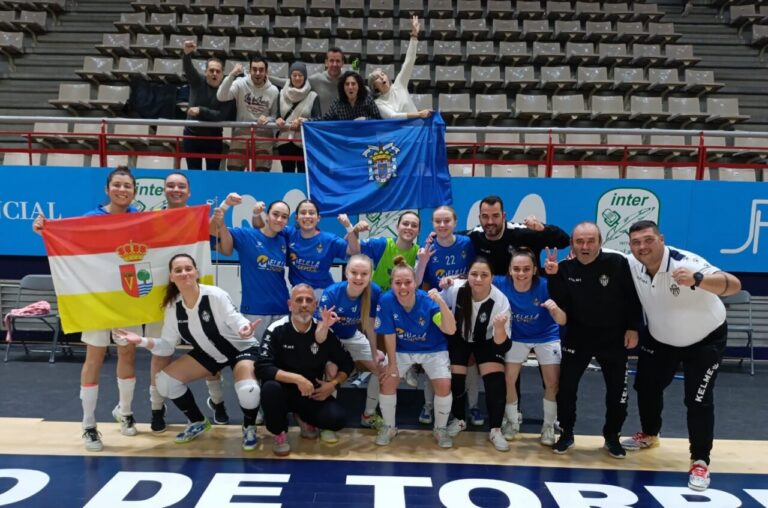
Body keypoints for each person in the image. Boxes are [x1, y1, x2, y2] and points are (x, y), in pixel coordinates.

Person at [621, 220, 741, 491]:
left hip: (705, 340)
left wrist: (698, 280)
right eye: (636, 242)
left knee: (697, 400)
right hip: (661, 338)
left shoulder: (687, 263)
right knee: (646, 387)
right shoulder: (631, 263)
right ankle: (650, 434)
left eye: (649, 240)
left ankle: (700, 460)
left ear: (661, 239)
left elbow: (733, 284)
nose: (643, 247)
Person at [33, 166, 143, 452]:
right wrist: (45, 229)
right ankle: (88, 425)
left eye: (127, 186)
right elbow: (63, 239)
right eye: (117, 184)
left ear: (134, 191)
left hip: (128, 297)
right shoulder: (90, 220)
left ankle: (126, 412)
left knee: (127, 352)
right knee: (94, 357)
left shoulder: (141, 219)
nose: (122, 190)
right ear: (107, 189)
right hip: (94, 298)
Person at [114, 254, 263, 450]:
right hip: (209, 353)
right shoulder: (173, 307)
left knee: (249, 390)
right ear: (171, 277)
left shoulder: (215, 295)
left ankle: (249, 426)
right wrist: (140, 341)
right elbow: (167, 346)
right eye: (178, 270)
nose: (184, 273)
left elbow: (235, 318)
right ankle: (198, 421)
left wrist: (245, 328)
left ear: (196, 272)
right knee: (165, 383)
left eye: (188, 268)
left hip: (241, 349)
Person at [544, 222, 641, 459]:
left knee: (618, 392)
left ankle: (612, 436)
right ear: (572, 244)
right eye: (579, 241)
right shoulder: (564, 269)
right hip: (577, 337)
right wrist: (553, 277)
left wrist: (633, 328)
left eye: (590, 241)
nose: (585, 246)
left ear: (600, 242)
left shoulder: (618, 264)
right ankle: (566, 433)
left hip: (613, 338)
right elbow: (559, 304)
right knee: (566, 389)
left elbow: (632, 298)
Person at [148, 172, 229, 433]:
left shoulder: (196, 217)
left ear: (189, 191)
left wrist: (223, 211)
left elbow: (219, 231)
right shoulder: (151, 220)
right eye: (170, 185)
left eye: (181, 186)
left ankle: (217, 403)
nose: (176, 189)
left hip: (195, 295)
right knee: (161, 354)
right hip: (159, 297)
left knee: (209, 349)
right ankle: (157, 407)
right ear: (164, 190)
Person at [256, 284, 354, 456]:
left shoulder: (324, 331)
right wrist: (297, 379)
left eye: (309, 300)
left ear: (315, 305)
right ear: (289, 304)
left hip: (310, 393)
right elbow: (262, 367)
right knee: (270, 388)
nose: (303, 304)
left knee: (337, 419)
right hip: (282, 391)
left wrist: (333, 384)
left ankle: (302, 417)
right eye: (299, 300)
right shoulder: (276, 330)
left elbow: (347, 363)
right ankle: (279, 433)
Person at [374, 256, 457, 448]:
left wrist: (442, 303)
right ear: (391, 284)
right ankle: (389, 427)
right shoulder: (386, 301)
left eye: (408, 282)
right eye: (398, 283)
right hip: (402, 349)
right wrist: (393, 366)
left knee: (444, 385)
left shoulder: (428, 301)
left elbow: (450, 329)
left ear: (415, 283)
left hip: (433, 349)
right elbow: (388, 334)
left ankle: (440, 429)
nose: (403, 287)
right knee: (387, 381)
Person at [414, 206, 482, 427]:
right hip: (437, 310)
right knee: (434, 356)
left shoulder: (466, 244)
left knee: (469, 358)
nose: (442, 225)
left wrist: (455, 278)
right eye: (437, 221)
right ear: (432, 224)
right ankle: (428, 405)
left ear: (455, 222)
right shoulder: (427, 247)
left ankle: (473, 406)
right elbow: (421, 283)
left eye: (446, 221)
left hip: (465, 308)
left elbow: (474, 272)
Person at [494, 247, 566, 446]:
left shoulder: (546, 286)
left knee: (552, 382)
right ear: (509, 270)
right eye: (516, 269)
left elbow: (562, 320)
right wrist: (451, 281)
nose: (521, 273)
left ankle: (548, 426)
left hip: (546, 336)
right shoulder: (500, 283)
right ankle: (512, 420)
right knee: (508, 379)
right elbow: (474, 279)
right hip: (517, 336)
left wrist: (555, 310)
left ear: (535, 270)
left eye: (526, 269)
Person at [439, 258, 512, 452]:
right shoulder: (455, 289)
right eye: (474, 274)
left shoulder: (500, 301)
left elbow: (502, 344)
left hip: (487, 340)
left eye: (484, 275)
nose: (478, 279)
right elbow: (435, 307)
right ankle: (459, 419)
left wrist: (498, 328)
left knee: (495, 380)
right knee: (456, 377)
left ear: (492, 278)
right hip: (460, 337)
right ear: (467, 275)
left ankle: (495, 430)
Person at [318, 254, 384, 429]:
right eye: (354, 272)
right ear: (346, 273)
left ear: (370, 275)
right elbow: (319, 336)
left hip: (352, 336)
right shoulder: (332, 293)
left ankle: (368, 414)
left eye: (364, 274)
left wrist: (374, 350)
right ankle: (328, 422)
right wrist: (325, 324)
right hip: (330, 338)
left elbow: (370, 326)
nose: (359, 277)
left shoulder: (374, 291)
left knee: (382, 368)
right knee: (332, 372)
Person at [209, 199, 290, 340]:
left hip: (282, 310)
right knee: (255, 356)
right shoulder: (246, 235)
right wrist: (224, 207)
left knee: (280, 357)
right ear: (267, 215)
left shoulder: (284, 239)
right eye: (275, 214)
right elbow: (213, 235)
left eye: (284, 217)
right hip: (254, 311)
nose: (279, 219)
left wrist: (255, 216)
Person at [250, 198, 361, 299]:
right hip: (298, 293)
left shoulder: (329, 240)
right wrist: (256, 214)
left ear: (318, 218)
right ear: (297, 218)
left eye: (311, 213)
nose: (307, 216)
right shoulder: (289, 233)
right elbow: (260, 228)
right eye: (303, 213)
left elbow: (354, 251)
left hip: (323, 294)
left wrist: (348, 226)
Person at [467, 195, 570, 276]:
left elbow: (565, 240)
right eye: (485, 216)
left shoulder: (523, 234)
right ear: (479, 218)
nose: (490, 222)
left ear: (504, 216)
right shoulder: (475, 235)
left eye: (495, 216)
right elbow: (453, 238)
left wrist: (542, 228)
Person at [216, 55, 279, 171]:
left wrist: (268, 119)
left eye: (261, 70)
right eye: (254, 69)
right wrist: (231, 75)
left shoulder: (274, 90)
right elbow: (221, 96)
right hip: (240, 134)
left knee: (262, 174)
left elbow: (275, 116)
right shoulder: (240, 83)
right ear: (250, 70)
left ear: (266, 72)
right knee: (234, 171)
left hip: (263, 136)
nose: (257, 73)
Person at [181, 40, 235, 170]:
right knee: (194, 174)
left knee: (213, 176)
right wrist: (186, 54)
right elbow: (188, 68)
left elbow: (220, 116)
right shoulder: (197, 81)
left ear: (223, 74)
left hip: (214, 139)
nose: (214, 74)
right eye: (211, 70)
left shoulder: (228, 90)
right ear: (206, 72)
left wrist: (200, 110)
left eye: (218, 71)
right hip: (191, 136)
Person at [368, 15, 431, 120]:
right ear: (374, 87)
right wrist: (419, 114)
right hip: (401, 135)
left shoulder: (399, 84)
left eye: (383, 74)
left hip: (417, 129)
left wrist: (414, 36)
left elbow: (409, 61)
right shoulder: (378, 103)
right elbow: (393, 116)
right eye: (377, 77)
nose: (382, 77)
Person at [275, 61, 321, 173]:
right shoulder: (281, 94)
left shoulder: (313, 96)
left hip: (304, 143)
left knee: (303, 173)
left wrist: (304, 121)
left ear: (305, 77)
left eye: (300, 75)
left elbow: (318, 119)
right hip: (284, 142)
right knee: (286, 172)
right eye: (294, 75)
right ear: (290, 76)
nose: (297, 78)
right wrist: (278, 119)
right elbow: (277, 114)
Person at [310, 47, 345, 115]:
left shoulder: (348, 80)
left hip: (342, 124)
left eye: (338, 61)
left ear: (342, 63)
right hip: (322, 124)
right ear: (326, 62)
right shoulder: (314, 80)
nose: (334, 64)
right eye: (331, 61)